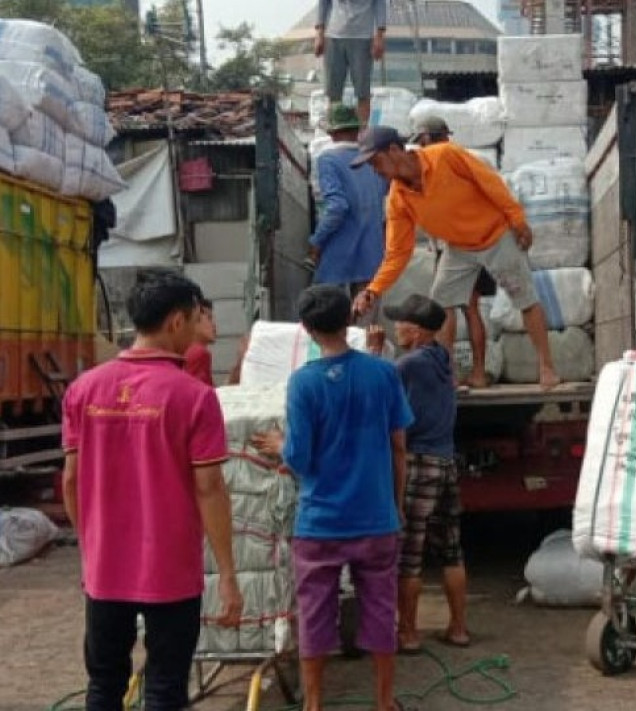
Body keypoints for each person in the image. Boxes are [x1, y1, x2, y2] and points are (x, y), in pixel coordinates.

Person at [61, 269, 243, 710]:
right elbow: (210, 488)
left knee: (104, 684)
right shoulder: (194, 397)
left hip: (105, 570)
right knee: (165, 686)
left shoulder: (84, 389)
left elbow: (70, 479)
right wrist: (228, 575)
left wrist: (92, 543)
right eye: (197, 316)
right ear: (176, 322)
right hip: (171, 571)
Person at [252, 285, 413, 711]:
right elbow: (399, 446)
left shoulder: (303, 383)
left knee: (315, 613)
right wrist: (395, 504)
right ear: (350, 321)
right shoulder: (383, 375)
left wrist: (281, 445)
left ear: (306, 329)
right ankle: (384, 700)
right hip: (376, 518)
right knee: (381, 609)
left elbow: (301, 459)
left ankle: (315, 703)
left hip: (320, 522)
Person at [350, 126, 561, 390]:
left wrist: (516, 220)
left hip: (495, 235)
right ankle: (446, 374)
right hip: (458, 247)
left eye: (375, 161)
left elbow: (490, 183)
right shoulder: (398, 199)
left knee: (525, 299)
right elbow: (397, 252)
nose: (374, 170)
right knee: (439, 306)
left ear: (394, 150)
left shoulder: (446, 156)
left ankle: (547, 367)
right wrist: (373, 289)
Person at [382, 294, 470, 652]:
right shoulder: (442, 357)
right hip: (447, 462)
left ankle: (408, 633)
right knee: (451, 550)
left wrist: (377, 353)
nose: (394, 327)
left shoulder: (409, 364)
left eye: (400, 322)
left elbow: (381, 390)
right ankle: (459, 627)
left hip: (419, 462)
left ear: (416, 330)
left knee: (409, 554)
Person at [412, 116, 497, 388]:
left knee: (446, 307)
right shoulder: (470, 160)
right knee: (472, 308)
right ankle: (479, 374)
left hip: (452, 244)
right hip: (480, 241)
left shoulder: (433, 165)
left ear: (426, 139)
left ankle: (447, 376)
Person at [309, 104, 389, 297]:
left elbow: (337, 207)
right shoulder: (374, 159)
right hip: (372, 254)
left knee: (327, 316)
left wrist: (316, 242)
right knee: (364, 322)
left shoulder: (328, 159)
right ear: (358, 130)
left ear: (332, 132)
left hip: (338, 253)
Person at [315, 0, 386, 126]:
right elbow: (324, 3)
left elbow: (380, 3)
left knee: (362, 93)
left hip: (362, 37)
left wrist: (379, 36)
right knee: (333, 93)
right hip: (334, 36)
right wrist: (319, 34)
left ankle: (362, 133)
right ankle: (335, 131)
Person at [184, 297, 217, 387]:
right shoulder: (199, 353)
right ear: (194, 321)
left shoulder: (186, 351)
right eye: (209, 318)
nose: (214, 324)